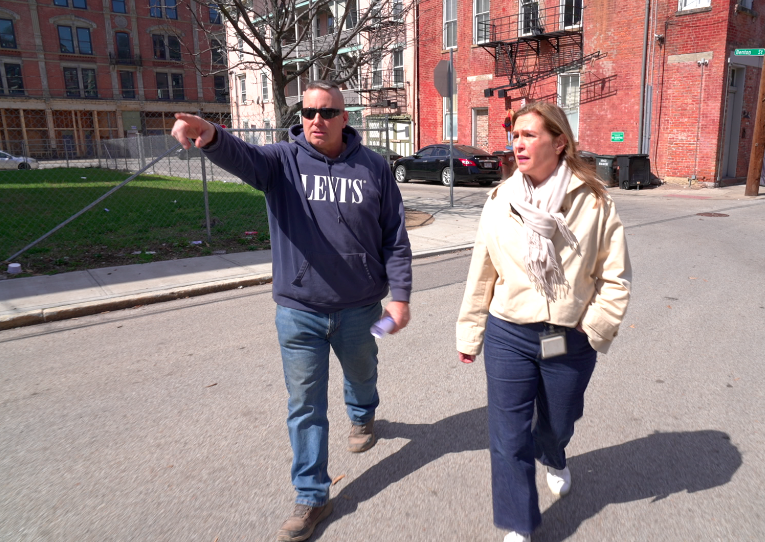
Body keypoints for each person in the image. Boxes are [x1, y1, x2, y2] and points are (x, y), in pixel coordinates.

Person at [171, 80, 412, 542]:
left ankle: (363, 414)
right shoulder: (282, 162)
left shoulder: (375, 168)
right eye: (308, 112)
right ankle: (312, 495)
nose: (316, 120)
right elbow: (241, 156)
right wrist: (210, 133)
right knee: (304, 405)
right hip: (298, 310)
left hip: (362, 306)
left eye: (326, 112)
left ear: (345, 118)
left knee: (363, 372)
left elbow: (395, 237)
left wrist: (399, 296)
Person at [456, 102, 631, 542]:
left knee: (558, 419)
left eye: (530, 135)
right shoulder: (500, 200)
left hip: (565, 337)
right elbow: (483, 271)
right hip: (508, 333)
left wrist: (593, 326)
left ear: (560, 142)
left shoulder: (592, 202)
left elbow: (615, 275)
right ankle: (520, 521)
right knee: (507, 434)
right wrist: (470, 331)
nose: (518, 143)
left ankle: (553, 452)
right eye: (515, 135)